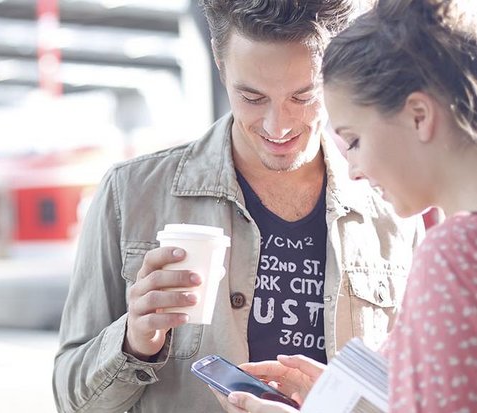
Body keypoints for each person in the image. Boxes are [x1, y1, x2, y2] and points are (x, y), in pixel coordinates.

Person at [52, 1, 424, 412]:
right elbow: (73, 403)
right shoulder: (131, 195)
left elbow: (418, 398)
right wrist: (134, 341)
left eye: (303, 96)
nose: (277, 126)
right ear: (218, 60)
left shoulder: (393, 211)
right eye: (251, 97)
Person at [216, 0, 477, 412]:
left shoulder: (454, 255)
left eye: (353, 140)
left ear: (419, 115)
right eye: (252, 97)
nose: (352, 170)